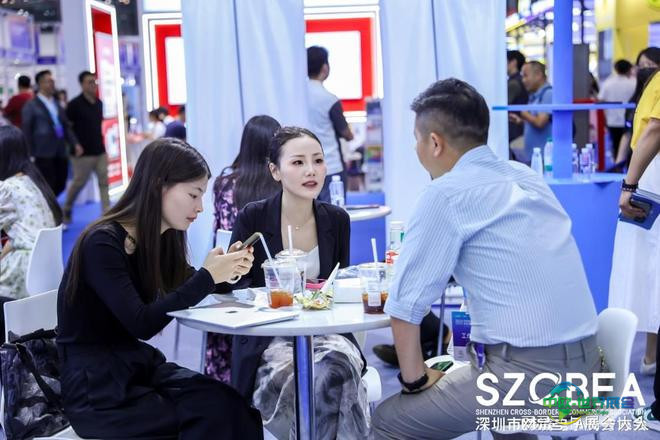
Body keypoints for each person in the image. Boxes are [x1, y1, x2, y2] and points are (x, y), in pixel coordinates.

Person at [371, 78, 600, 440]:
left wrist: (415, 380)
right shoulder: (525, 176)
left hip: (527, 380)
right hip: (591, 367)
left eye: (417, 139)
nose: (416, 149)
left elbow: (404, 308)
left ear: (434, 143)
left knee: (387, 420)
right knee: (495, 403)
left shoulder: (445, 194)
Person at [56, 138, 263, 439]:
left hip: (134, 370)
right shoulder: (101, 243)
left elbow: (188, 284)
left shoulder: (159, 238)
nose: (200, 207)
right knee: (213, 416)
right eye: (193, 194)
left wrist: (226, 271)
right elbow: (143, 322)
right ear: (158, 186)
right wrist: (207, 277)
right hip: (99, 392)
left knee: (232, 404)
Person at [222, 127, 368, 438]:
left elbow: (337, 285)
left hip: (327, 334)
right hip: (270, 339)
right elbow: (232, 288)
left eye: (318, 160)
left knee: (335, 369)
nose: (311, 170)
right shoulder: (254, 217)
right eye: (298, 162)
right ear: (275, 171)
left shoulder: (337, 220)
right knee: (320, 380)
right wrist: (232, 269)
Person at [205, 114, 282, 383]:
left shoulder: (225, 185)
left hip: (231, 282)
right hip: (276, 281)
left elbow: (221, 234)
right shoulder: (281, 185)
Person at [610, 69, 660, 379]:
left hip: (652, 184)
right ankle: (651, 356)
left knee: (650, 272)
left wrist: (629, 185)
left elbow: (655, 128)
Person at [0, 125, 62, 300]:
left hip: (21, 272)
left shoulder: (6, 188)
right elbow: (23, 235)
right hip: (47, 271)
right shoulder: (35, 182)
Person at [22, 70, 81, 196]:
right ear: (40, 84)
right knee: (47, 184)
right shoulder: (31, 105)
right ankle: (50, 207)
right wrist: (29, 153)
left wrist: (75, 143)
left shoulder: (56, 103)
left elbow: (65, 125)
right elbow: (26, 130)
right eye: (48, 81)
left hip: (60, 150)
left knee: (61, 183)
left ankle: (52, 205)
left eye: (52, 81)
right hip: (42, 152)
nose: (52, 84)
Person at [306, 46, 354, 202]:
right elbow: (347, 134)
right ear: (325, 68)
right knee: (334, 212)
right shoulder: (329, 99)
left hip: (304, 166)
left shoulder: (298, 96)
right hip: (331, 166)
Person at [62, 71, 110, 224]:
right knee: (79, 183)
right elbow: (67, 128)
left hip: (99, 150)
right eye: (89, 82)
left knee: (104, 183)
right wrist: (75, 144)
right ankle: (66, 209)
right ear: (82, 84)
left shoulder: (99, 103)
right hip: (82, 153)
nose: (93, 85)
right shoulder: (74, 105)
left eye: (94, 81)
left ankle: (107, 214)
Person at [509, 61, 552, 164]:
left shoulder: (548, 94)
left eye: (525, 76)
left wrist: (523, 113)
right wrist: (520, 121)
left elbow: (540, 122)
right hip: (534, 157)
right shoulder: (535, 95)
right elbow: (534, 121)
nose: (523, 80)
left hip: (544, 158)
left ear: (538, 75)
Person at [598, 59, 636, 160]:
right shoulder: (633, 83)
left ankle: (617, 165)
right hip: (630, 120)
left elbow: (600, 99)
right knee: (631, 148)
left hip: (612, 121)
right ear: (629, 69)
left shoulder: (608, 83)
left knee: (615, 147)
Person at [506, 50, 528, 148]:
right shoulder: (518, 80)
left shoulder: (514, 83)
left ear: (513, 62)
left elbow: (505, 103)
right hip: (520, 129)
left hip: (514, 130)